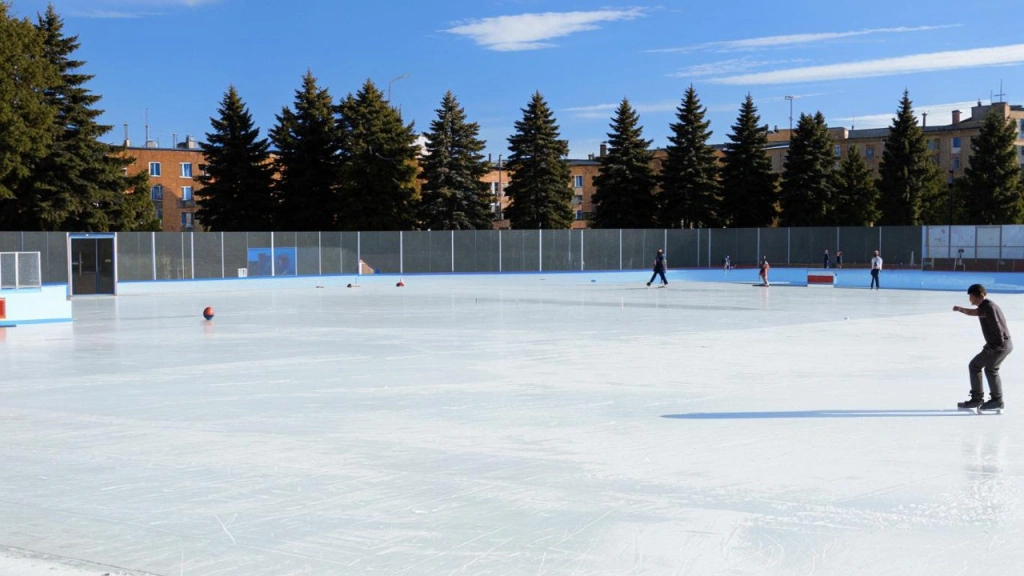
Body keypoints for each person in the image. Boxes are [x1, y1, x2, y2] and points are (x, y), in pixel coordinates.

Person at [954, 284, 1012, 411]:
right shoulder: (986, 306)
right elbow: (974, 312)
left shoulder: (989, 307)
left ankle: (980, 399)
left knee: (976, 366)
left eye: (971, 296)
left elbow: (996, 326)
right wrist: (960, 309)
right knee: (990, 369)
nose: (970, 299)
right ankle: (994, 400)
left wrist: (995, 345)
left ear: (979, 296)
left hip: (999, 345)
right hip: (1002, 344)